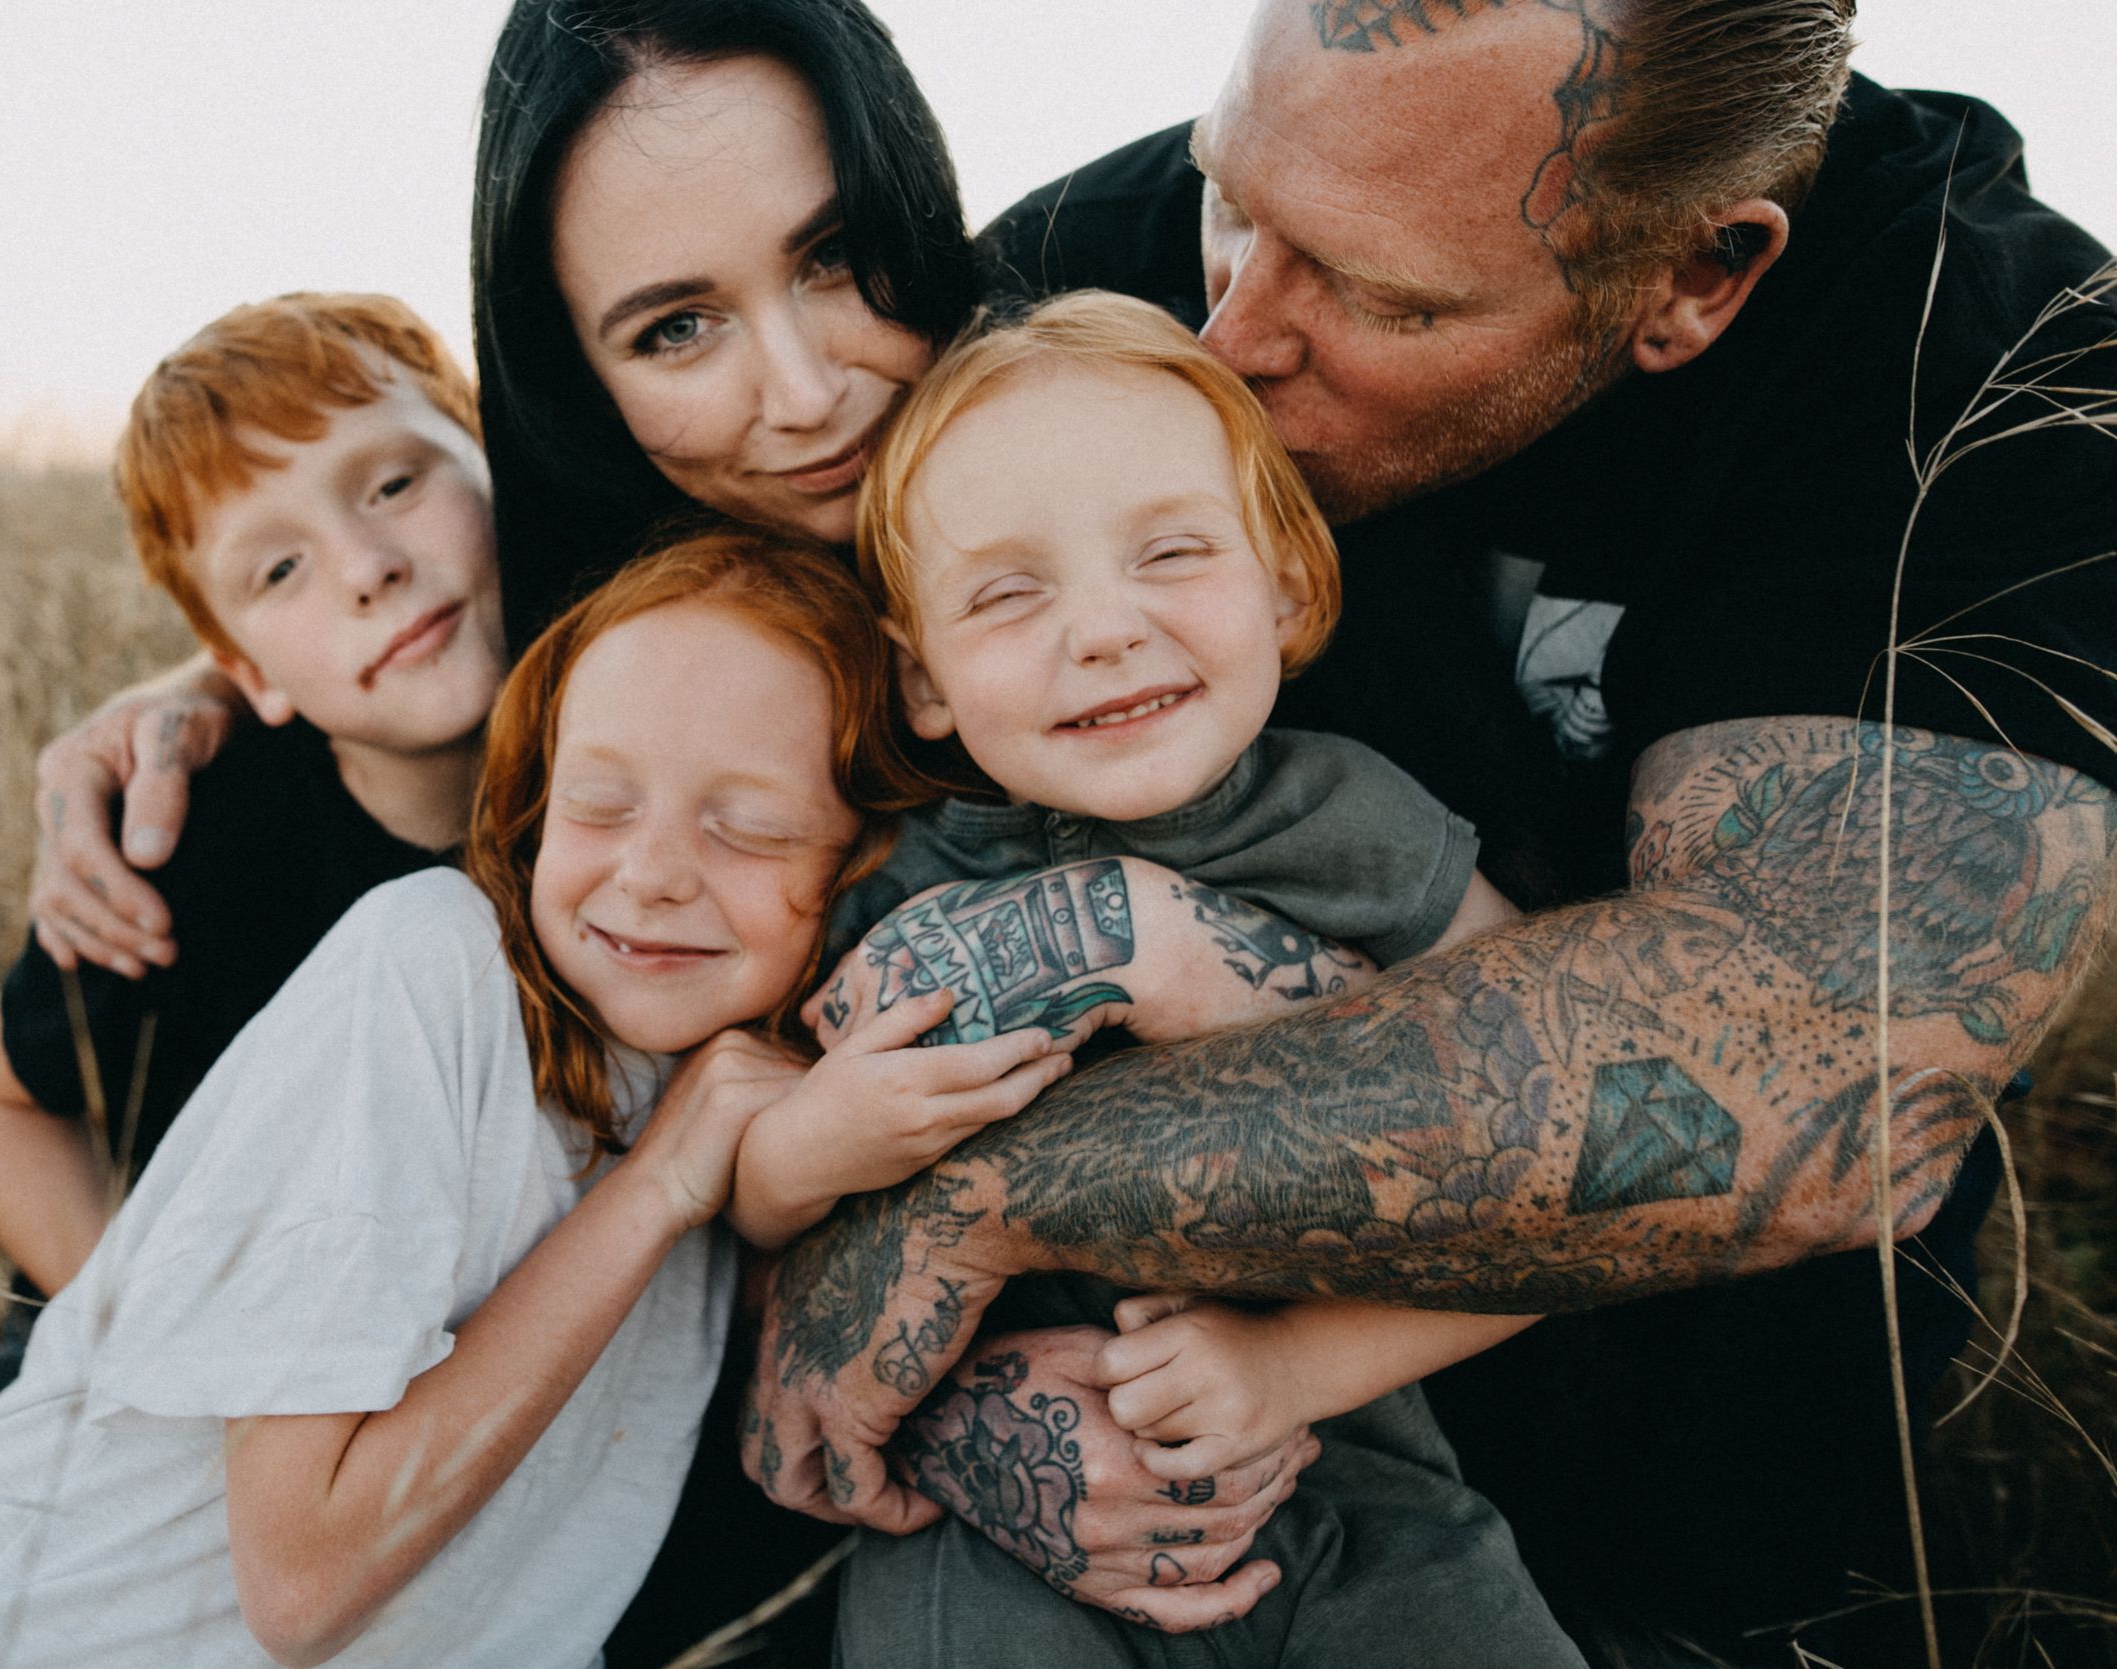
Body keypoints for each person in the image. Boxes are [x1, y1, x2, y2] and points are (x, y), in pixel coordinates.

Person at [747, 1, 2117, 1661]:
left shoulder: (1998, 378)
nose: (1232, 331)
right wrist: (954, 1399)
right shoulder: (1092, 283)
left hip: (1667, 1521)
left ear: (1698, 275)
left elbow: (1819, 1074)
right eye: (1229, 202)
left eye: (1383, 293)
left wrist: (964, 1200)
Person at [0, 531, 1074, 1669]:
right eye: (597, 808)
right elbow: (303, 1582)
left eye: (750, 828)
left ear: (857, 854)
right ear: (531, 809)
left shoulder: (718, 1095)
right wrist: (664, 1182)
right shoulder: (432, 971)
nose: (653, 874)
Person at [800, 287, 1579, 1667]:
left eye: (1169, 552)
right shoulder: (889, 886)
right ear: (919, 678)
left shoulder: (1351, 821)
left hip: (1354, 1501)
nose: (1101, 629)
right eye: (1006, 591)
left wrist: (1290, 1369)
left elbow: (1569, 1176)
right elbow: (770, 1208)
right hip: (991, 1547)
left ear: (1284, 587)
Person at [0, 293, 507, 1417]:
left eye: (395, 485)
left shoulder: (631, 720)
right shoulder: (207, 846)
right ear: (247, 673)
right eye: (279, 571)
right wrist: (160, 1349)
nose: (365, 566)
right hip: (156, 1340)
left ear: (497, 466)